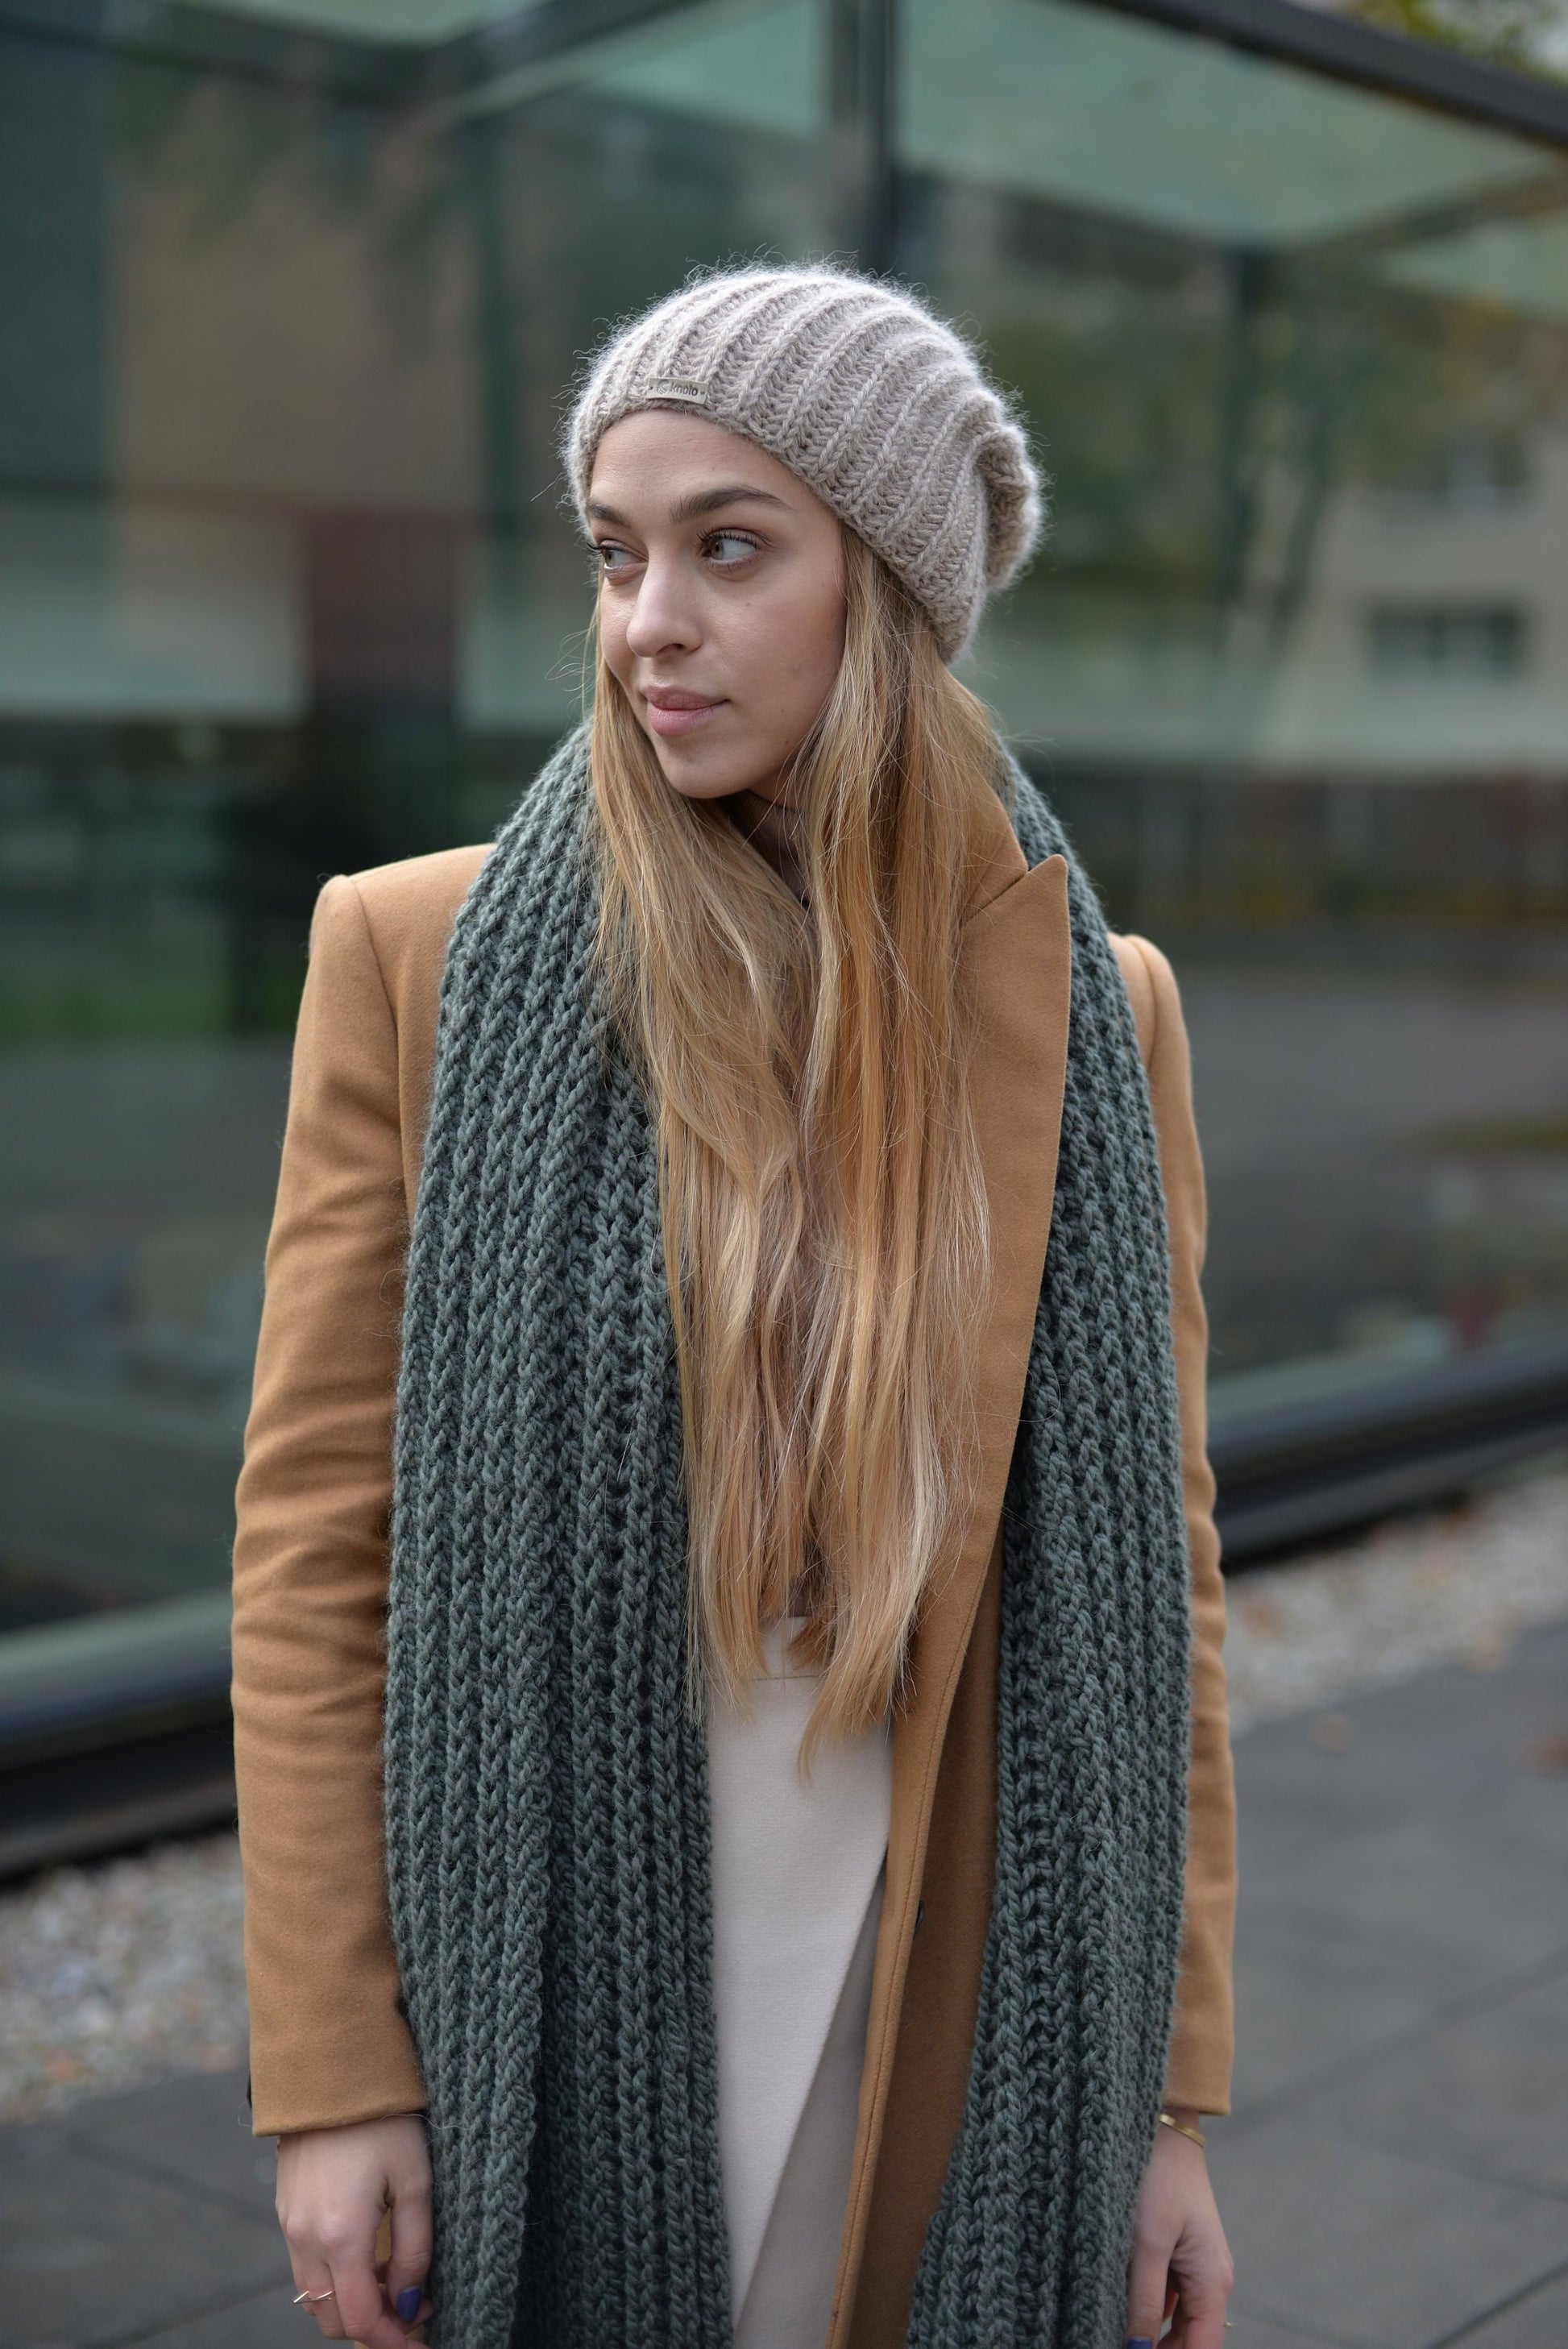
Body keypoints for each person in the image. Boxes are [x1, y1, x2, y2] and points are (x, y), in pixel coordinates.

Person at [231, 263, 1237, 2349]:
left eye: (726, 546)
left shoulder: (1091, 1009)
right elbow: (317, 1553)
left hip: (945, 1989)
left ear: (882, 587)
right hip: (562, 1977)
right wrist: (334, 2064)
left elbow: (1163, 1594)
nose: (644, 624)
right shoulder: (415, 961)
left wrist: (1161, 2096)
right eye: (615, 554)